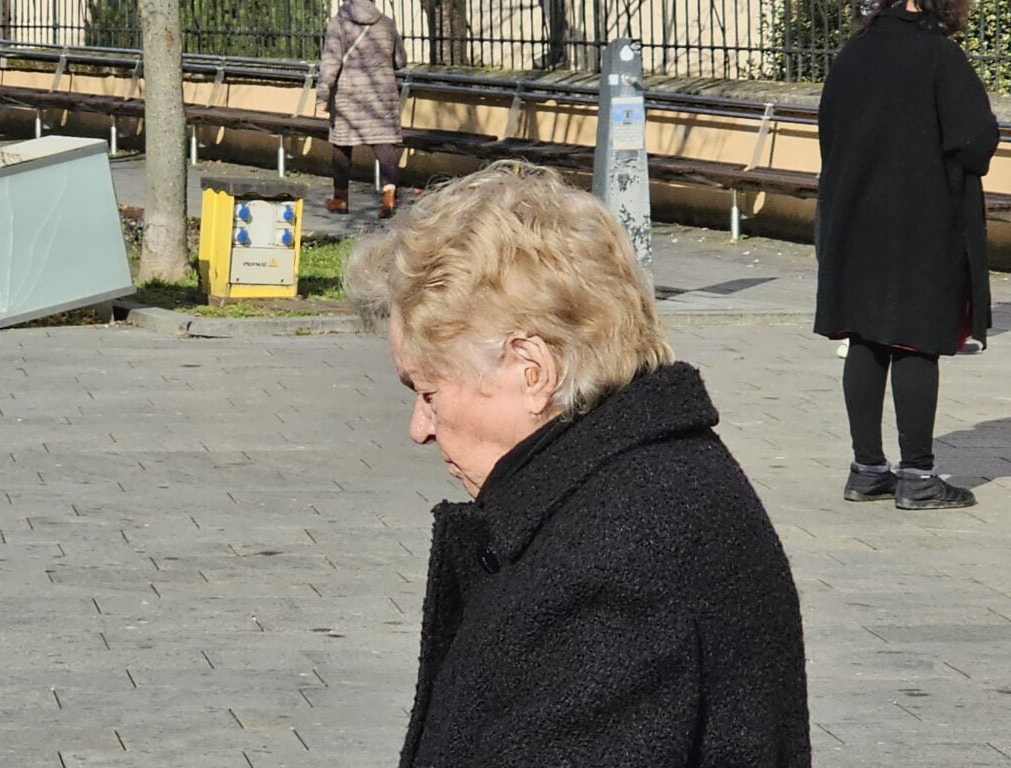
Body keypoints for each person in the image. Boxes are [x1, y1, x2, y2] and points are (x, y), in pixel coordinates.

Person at [345, 161, 811, 768]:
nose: (419, 428)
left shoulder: (613, 563)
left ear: (531, 370)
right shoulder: (650, 482)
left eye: (428, 391)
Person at [815, 0, 998, 510]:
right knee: (916, 339)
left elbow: (828, 134)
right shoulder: (939, 56)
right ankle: (918, 475)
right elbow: (974, 141)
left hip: (854, 215)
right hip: (921, 219)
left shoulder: (852, 54)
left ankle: (867, 469)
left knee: (865, 336)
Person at [316, 0, 407, 219]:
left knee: (342, 145)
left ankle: (340, 199)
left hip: (349, 94)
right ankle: (389, 198)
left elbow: (330, 63)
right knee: (384, 144)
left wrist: (322, 94)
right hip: (382, 94)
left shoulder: (338, 24)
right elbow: (400, 60)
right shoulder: (386, 23)